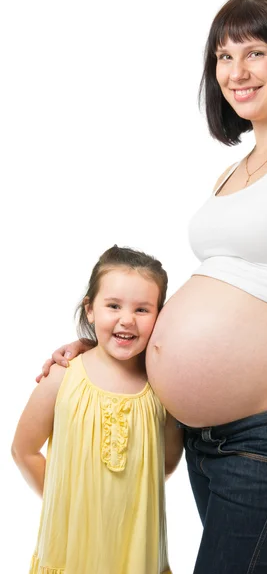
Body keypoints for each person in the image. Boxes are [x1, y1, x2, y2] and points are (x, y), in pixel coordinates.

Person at [39, 0, 267, 574]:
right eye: (223, 56)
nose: (236, 72)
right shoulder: (234, 171)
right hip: (207, 440)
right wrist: (110, 348)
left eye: (255, 52)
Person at [13, 245, 183, 574]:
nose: (126, 320)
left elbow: (166, 461)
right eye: (114, 306)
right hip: (71, 551)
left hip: (136, 554)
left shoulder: (160, 388)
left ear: (159, 316)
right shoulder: (62, 377)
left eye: (143, 310)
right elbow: (24, 450)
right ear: (90, 309)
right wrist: (62, 504)